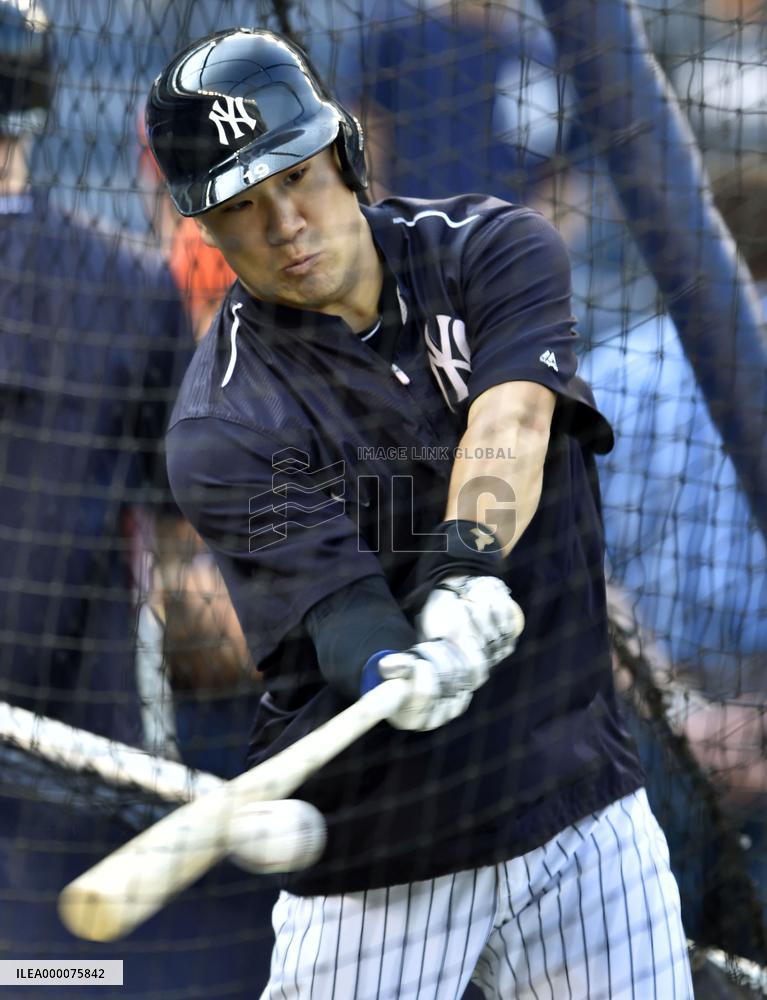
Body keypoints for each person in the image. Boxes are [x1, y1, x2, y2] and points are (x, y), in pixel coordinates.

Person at [147, 27, 693, 998]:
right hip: (379, 855)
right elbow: (341, 613)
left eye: (298, 178)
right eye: (241, 206)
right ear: (208, 230)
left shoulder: (491, 249)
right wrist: (393, 661)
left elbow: (514, 418)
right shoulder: (217, 421)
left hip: (574, 807)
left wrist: (462, 562)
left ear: (348, 153)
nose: (285, 224)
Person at [0, 3, 276, 991]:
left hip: (77, 751)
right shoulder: (123, 283)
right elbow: (173, 537)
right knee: (64, 976)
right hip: (83, 756)